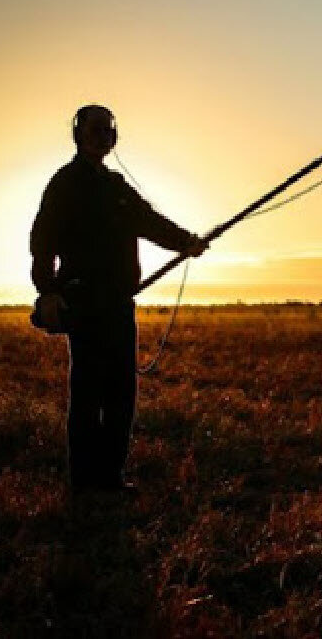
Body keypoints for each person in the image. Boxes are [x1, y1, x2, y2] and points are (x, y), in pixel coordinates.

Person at [30, 104, 208, 493]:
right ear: (78, 134)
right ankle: (83, 484)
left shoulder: (116, 188)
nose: (101, 136)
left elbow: (150, 221)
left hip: (118, 304)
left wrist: (187, 242)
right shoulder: (64, 184)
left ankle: (110, 478)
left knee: (121, 394)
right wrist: (46, 292)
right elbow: (42, 242)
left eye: (108, 130)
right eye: (94, 129)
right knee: (87, 395)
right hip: (83, 303)